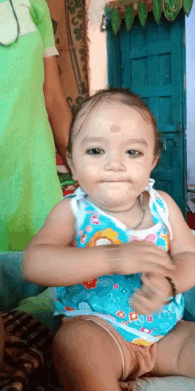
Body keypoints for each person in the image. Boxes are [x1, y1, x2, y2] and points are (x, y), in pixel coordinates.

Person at [23, 88, 195, 391]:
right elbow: (34, 263)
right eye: (96, 151)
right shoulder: (73, 211)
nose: (114, 164)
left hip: (165, 332)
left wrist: (170, 283)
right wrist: (112, 258)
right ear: (72, 162)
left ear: (153, 161)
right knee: (73, 347)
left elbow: (191, 257)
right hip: (99, 331)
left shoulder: (163, 206)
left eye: (132, 152)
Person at [0, 0, 71, 251]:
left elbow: (53, 98)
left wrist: (84, 167)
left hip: (34, 178)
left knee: (43, 276)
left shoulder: (36, 5)